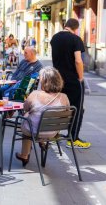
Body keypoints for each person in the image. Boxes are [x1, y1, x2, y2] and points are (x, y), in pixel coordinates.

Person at [15, 67, 70, 166]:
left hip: (33, 131)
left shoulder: (35, 94)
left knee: (27, 118)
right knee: (35, 119)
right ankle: (42, 142)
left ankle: (24, 155)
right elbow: (66, 113)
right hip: (53, 132)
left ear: (44, 81)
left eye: (40, 79)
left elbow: (25, 108)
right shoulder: (64, 97)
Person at [50, 18, 89, 149]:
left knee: (59, 107)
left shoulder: (54, 38)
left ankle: (53, 134)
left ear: (65, 25)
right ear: (76, 28)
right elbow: (78, 61)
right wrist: (81, 77)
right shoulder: (75, 39)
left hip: (57, 79)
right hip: (72, 80)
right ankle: (73, 138)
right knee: (76, 108)